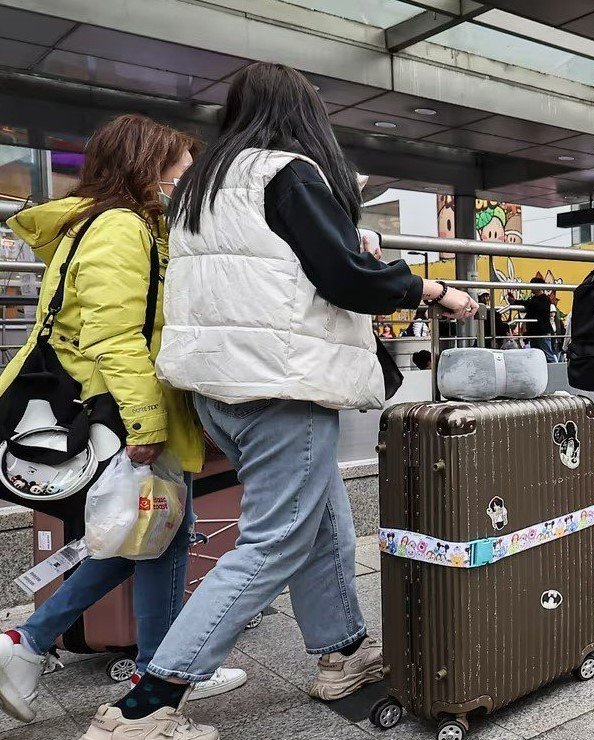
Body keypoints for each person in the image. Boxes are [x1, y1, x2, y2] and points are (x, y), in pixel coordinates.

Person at [92, 63, 478, 740]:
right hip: (281, 385)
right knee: (271, 543)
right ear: (302, 112)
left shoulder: (201, 186)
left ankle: (344, 652)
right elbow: (346, 278)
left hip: (218, 387)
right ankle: (147, 704)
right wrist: (433, 291)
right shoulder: (287, 172)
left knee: (322, 513)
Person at [0, 114, 246, 726]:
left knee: (150, 538)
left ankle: (45, 648)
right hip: (120, 410)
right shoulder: (118, 227)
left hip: (123, 406)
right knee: (159, 535)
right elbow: (114, 336)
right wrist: (146, 424)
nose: (186, 181)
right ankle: (144, 669)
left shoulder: (123, 224)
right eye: (182, 170)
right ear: (149, 166)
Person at [511, 277, 556, 361]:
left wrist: (516, 301)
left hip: (542, 332)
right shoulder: (535, 300)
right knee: (536, 356)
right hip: (535, 332)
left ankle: (553, 372)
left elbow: (533, 305)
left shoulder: (544, 299)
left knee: (547, 355)